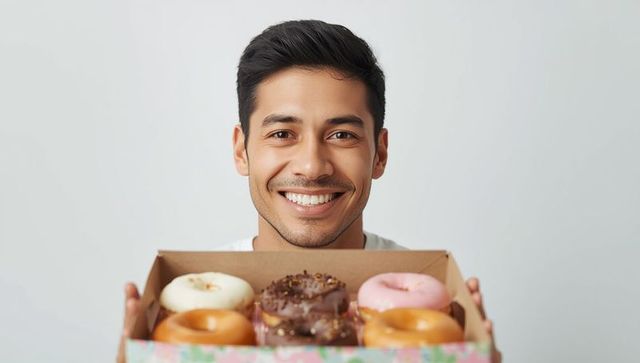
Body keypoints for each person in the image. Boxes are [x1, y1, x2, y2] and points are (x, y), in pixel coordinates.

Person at [116, 19, 501, 362]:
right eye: (282, 134)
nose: (312, 166)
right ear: (241, 150)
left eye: (342, 135)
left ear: (379, 153)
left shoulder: (432, 296)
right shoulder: (188, 296)